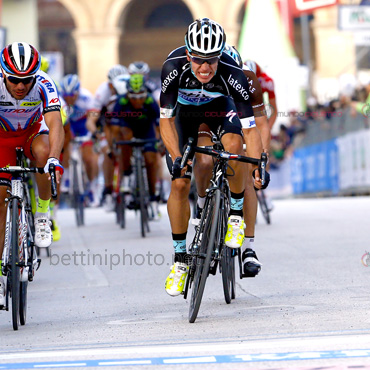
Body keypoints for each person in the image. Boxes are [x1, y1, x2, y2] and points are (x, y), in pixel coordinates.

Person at [160, 18, 266, 296]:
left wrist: (257, 163)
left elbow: (250, 128)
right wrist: (176, 158)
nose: (205, 67)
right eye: (198, 60)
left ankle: (234, 216)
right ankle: (181, 261)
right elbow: (166, 122)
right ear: (187, 55)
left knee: (234, 149)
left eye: (211, 60)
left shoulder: (233, 72)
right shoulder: (172, 68)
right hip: (186, 116)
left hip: (222, 109)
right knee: (180, 182)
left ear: (221, 56)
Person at [192, 45, 270, 278]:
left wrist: (260, 162)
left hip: (239, 125)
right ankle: (202, 202)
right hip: (207, 118)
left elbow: (260, 125)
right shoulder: (203, 78)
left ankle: (249, 249)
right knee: (205, 160)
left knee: (246, 178)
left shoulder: (248, 79)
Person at [0, 42, 65, 306]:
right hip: (2, 139)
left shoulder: (44, 83)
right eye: (14, 80)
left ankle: (41, 215)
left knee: (44, 152)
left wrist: (53, 159)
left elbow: (55, 123)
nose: (20, 86)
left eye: (26, 80)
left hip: (31, 134)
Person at [110, 74, 161, 217]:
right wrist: (114, 145)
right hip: (128, 128)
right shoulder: (121, 101)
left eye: (141, 97)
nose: (137, 101)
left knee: (151, 160)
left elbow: (159, 127)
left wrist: (160, 142)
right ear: (127, 94)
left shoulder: (151, 101)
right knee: (124, 138)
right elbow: (114, 128)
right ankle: (126, 174)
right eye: (133, 97)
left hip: (146, 131)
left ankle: (152, 197)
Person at [86, 64, 130, 211]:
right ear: (110, 84)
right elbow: (90, 121)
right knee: (108, 152)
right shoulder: (102, 92)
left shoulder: (130, 87)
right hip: (108, 121)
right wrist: (98, 135)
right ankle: (108, 188)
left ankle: (130, 178)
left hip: (126, 119)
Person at [59, 74, 100, 206]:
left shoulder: (86, 97)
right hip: (68, 125)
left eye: (72, 95)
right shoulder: (59, 99)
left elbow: (93, 116)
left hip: (83, 125)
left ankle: (92, 186)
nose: (69, 98)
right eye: (67, 96)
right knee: (64, 146)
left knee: (89, 157)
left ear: (78, 92)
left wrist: (92, 132)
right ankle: (67, 175)